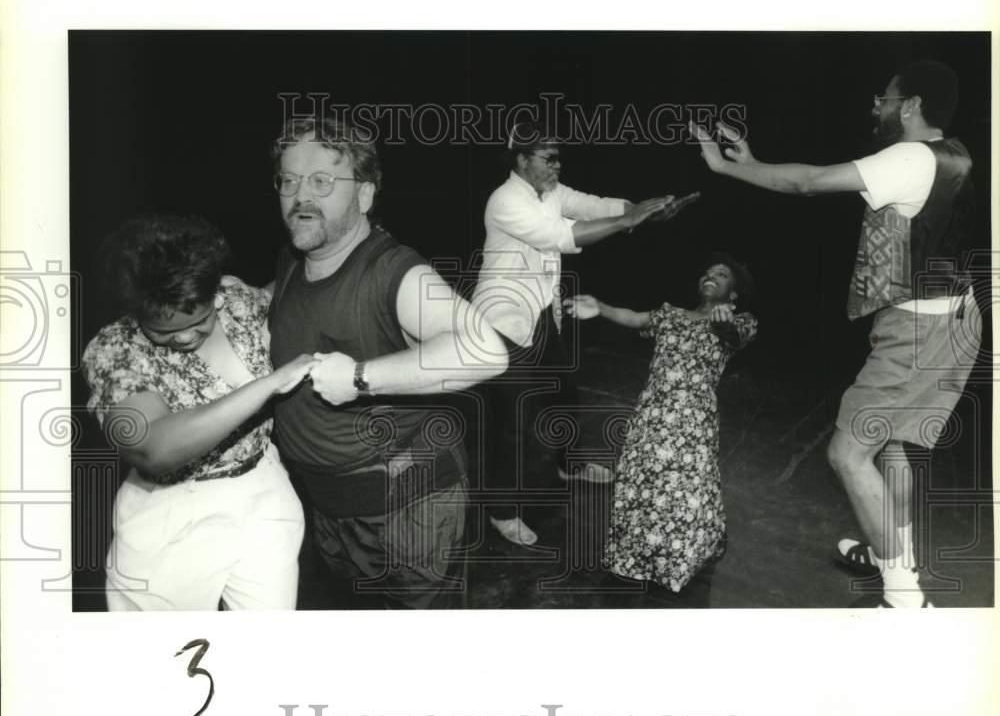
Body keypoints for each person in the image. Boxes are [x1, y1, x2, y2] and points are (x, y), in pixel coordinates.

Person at [692, 60, 982, 608]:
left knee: (848, 454)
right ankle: (894, 555)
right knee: (892, 444)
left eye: (885, 98)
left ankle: (904, 600)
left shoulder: (908, 157)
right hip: (954, 318)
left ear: (912, 106)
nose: (876, 106)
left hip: (920, 330)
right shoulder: (955, 152)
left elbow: (806, 182)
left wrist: (733, 169)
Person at [267, 113, 508, 610]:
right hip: (331, 508)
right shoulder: (293, 258)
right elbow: (295, 307)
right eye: (288, 181)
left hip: (408, 511)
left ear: (364, 195)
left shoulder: (394, 272)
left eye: (321, 181)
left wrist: (360, 378)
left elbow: (485, 349)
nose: (299, 196)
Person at [472, 120, 693, 547]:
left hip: (541, 314)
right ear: (520, 160)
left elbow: (594, 206)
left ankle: (568, 465)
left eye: (559, 157)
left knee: (564, 393)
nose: (557, 165)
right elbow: (565, 235)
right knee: (516, 421)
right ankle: (501, 510)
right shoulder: (504, 200)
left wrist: (646, 209)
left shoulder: (552, 192)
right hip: (503, 322)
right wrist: (633, 218)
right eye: (547, 157)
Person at [81, 214, 315, 611]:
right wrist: (268, 385)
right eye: (165, 331)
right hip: (172, 511)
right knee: (162, 657)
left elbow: (291, 293)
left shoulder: (233, 298)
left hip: (262, 489)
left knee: (270, 648)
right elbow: (152, 447)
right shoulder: (115, 350)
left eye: (201, 320)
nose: (186, 337)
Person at [565, 254, 757, 604]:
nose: (710, 275)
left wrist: (724, 323)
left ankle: (674, 564)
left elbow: (733, 336)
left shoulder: (739, 321)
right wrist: (600, 307)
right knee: (641, 483)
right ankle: (631, 559)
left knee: (681, 493)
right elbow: (634, 317)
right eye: (707, 271)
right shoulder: (670, 314)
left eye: (722, 274)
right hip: (652, 416)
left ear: (733, 294)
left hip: (691, 423)